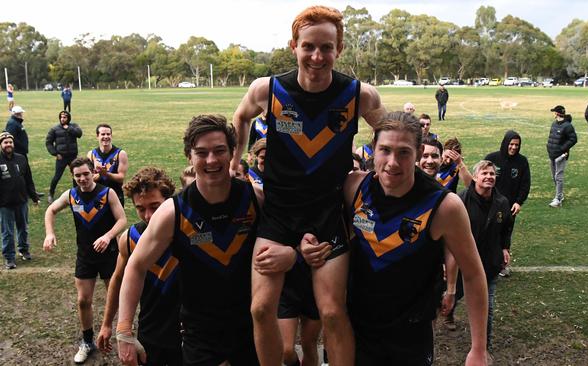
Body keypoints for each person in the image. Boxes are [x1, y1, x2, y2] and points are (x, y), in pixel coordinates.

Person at [229, 6, 385, 365]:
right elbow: (240, 116)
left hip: (327, 212)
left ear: (339, 50)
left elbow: (390, 130)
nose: (318, 56)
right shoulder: (267, 89)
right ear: (293, 46)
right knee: (261, 309)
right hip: (279, 213)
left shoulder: (359, 95)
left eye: (327, 47)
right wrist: (237, 159)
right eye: (309, 46)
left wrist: (382, 167)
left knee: (331, 312)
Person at [301, 112, 489, 365]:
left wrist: (478, 348)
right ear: (372, 150)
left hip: (410, 337)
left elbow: (474, 274)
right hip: (357, 331)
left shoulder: (444, 206)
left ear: (419, 151)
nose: (392, 162)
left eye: (403, 152)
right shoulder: (354, 188)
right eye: (385, 150)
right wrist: (306, 242)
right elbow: (318, 224)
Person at [117, 115, 293, 365]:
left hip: (253, 330)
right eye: (202, 152)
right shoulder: (172, 212)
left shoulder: (256, 200)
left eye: (219, 150)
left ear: (233, 152)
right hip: (200, 336)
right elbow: (135, 266)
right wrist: (123, 331)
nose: (211, 160)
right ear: (189, 156)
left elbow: (293, 240)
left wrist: (291, 255)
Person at [43, 157, 127, 364]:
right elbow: (50, 210)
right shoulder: (71, 195)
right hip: (85, 256)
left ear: (93, 173)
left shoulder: (108, 193)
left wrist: (108, 237)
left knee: (116, 296)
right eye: (77, 175)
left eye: (86, 174)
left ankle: (123, 335)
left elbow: (122, 220)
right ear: (73, 176)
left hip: (109, 255)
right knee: (83, 300)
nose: (82, 178)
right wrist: (49, 233)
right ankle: (87, 341)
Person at [96, 167, 181, 365]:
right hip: (150, 331)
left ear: (168, 202)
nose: (149, 216)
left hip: (188, 335)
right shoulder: (130, 239)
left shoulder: (188, 233)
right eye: (141, 208)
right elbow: (117, 280)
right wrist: (108, 324)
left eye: (155, 206)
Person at [450, 160, 512, 355]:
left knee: (488, 307)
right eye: (484, 173)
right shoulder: (461, 200)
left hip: (489, 264)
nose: (489, 177)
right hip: (464, 263)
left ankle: (484, 348)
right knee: (453, 295)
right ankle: (448, 313)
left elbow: (506, 228)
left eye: (492, 174)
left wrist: (504, 247)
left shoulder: (502, 202)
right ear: (475, 177)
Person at [484, 130, 530, 277]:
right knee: (488, 233)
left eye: (517, 145)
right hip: (490, 204)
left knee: (505, 235)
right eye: (511, 144)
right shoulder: (492, 158)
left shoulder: (522, 162)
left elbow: (525, 184)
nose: (514, 147)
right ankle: (484, 262)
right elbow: (481, 177)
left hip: (509, 206)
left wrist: (518, 202)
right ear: (505, 143)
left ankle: (503, 265)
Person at [0, 132, 39, 269]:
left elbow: (28, 179)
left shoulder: (21, 158)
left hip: (22, 201)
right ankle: (9, 257)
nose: (8, 145)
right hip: (5, 204)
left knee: (23, 228)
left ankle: (24, 250)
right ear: (1, 145)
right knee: (8, 232)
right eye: (5, 142)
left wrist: (34, 196)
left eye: (10, 142)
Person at [46, 111, 83, 203]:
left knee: (76, 175)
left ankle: (77, 193)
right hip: (61, 157)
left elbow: (79, 134)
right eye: (61, 117)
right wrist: (55, 153)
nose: (63, 119)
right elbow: (48, 142)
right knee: (57, 176)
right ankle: (51, 193)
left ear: (68, 118)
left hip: (73, 157)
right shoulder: (54, 129)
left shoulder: (73, 126)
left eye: (65, 117)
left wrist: (69, 129)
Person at [87, 124, 129, 206]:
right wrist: (100, 174)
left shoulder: (120, 154)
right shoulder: (91, 154)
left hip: (116, 196)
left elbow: (121, 178)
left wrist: (105, 174)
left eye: (108, 134)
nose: (106, 136)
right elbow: (89, 178)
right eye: (103, 134)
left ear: (111, 135)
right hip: (96, 196)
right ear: (97, 136)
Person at [547, 105, 577, 208]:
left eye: (554, 112)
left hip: (561, 156)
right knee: (554, 176)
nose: (553, 115)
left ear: (557, 114)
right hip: (552, 155)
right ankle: (559, 195)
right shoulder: (554, 124)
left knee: (558, 177)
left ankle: (558, 199)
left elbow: (573, 139)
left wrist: (562, 149)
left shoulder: (568, 126)